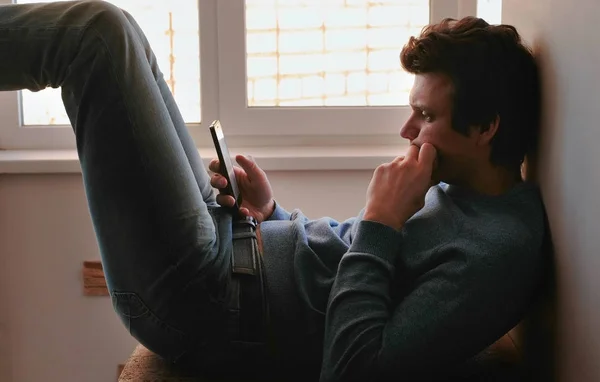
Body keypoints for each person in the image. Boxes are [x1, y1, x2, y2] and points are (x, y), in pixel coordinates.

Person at [0, 1, 546, 381]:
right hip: (234, 250)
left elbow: (352, 369)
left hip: (206, 301)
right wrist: (273, 212)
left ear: (485, 128)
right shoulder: (458, 184)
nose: (406, 131)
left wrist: (381, 223)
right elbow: (337, 267)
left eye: (425, 115)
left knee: (96, 36)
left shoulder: (496, 253)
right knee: (131, 40)